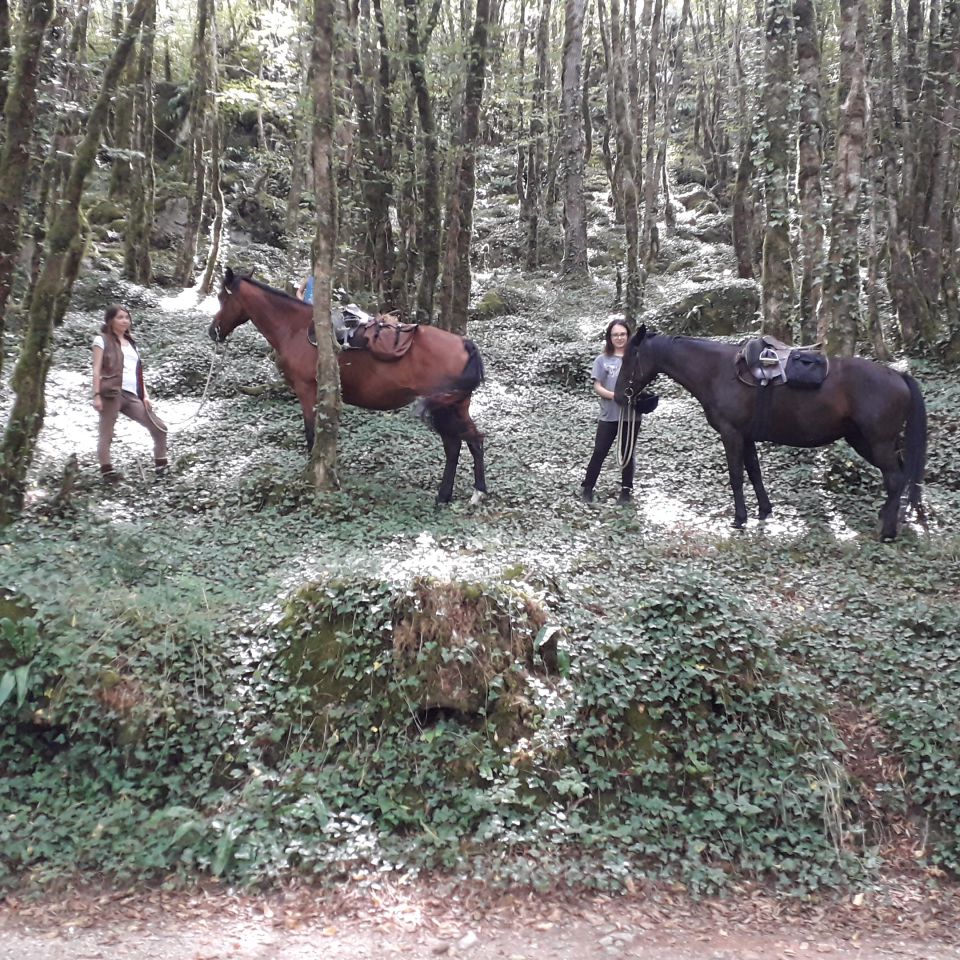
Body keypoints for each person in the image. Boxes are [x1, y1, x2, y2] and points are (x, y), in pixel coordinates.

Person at [91, 304, 168, 482]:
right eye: (120, 317)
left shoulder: (132, 343)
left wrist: (145, 396)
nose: (125, 320)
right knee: (106, 433)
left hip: (132, 395)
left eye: (127, 317)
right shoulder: (101, 340)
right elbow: (96, 370)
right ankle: (107, 471)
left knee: (159, 427)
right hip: (111, 392)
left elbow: (138, 372)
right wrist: (96, 395)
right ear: (110, 320)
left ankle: (161, 466)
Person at [580, 318, 636, 505]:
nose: (619, 338)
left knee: (627, 453)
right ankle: (588, 488)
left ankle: (626, 491)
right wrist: (615, 395)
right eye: (615, 335)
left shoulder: (636, 358)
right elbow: (597, 386)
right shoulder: (602, 360)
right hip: (609, 415)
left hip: (632, 415)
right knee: (600, 451)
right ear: (609, 337)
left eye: (622, 334)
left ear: (628, 336)